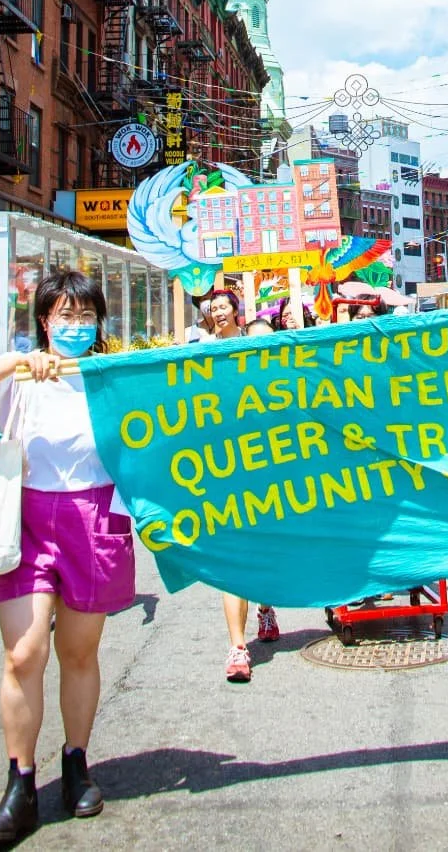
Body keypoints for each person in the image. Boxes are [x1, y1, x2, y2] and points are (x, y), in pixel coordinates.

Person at [0, 269, 135, 840]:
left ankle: (76, 762)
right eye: (64, 315)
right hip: (25, 518)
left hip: (95, 517)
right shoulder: (18, 377)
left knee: (79, 652)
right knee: (24, 654)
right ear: (45, 321)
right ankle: (20, 783)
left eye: (86, 316)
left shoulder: (111, 377)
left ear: (99, 323)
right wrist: (15, 361)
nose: (76, 326)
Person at [199, 288, 279, 676]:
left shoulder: (257, 349)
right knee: (233, 556)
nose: (217, 312)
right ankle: (237, 648)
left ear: (236, 312)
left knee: (261, 551)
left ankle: (265, 608)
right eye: (212, 308)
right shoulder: (200, 352)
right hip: (223, 469)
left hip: (263, 468)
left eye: (223, 307)